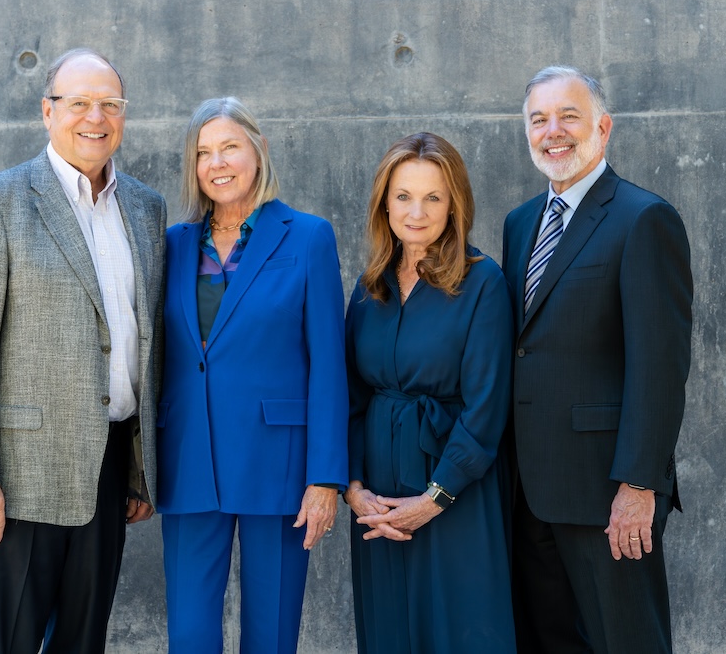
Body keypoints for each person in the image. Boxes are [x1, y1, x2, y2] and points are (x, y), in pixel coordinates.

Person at [0, 48, 166, 653]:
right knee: (4, 642)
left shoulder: (145, 209)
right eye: (79, 103)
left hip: (110, 466)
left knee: (82, 641)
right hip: (18, 478)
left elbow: (147, 343)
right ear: (48, 112)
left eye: (111, 104)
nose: (96, 117)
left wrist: (140, 468)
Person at [502, 65, 693, 654]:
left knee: (626, 641)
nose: (552, 131)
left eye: (568, 116)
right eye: (539, 119)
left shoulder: (643, 218)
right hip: (528, 488)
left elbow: (659, 367)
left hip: (606, 492)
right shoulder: (518, 223)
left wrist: (639, 485)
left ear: (602, 127)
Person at [156, 96, 348, 653]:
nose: (218, 163)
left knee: (271, 633)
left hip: (280, 465)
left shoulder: (308, 236)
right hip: (189, 460)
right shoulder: (171, 244)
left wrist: (326, 477)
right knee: (189, 636)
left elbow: (328, 366)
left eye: (230, 147)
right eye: (203, 153)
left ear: (258, 151)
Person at [345, 132, 517, 653]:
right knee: (389, 632)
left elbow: (486, 407)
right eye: (403, 196)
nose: (416, 211)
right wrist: (354, 490)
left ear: (454, 204)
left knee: (460, 630)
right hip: (377, 500)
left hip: (453, 489)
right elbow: (349, 400)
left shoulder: (482, 281)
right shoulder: (368, 285)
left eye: (432, 197)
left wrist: (434, 498)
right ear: (384, 202)